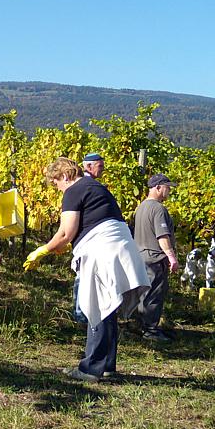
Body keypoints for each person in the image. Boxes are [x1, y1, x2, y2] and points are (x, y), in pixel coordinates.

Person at [23, 157, 150, 382]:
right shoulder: (95, 187)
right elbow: (74, 229)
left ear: (64, 175)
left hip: (102, 250)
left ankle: (90, 369)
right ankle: (107, 365)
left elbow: (66, 233)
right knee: (108, 305)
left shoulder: (73, 191)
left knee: (97, 306)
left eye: (56, 183)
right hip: (119, 247)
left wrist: (42, 250)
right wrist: (60, 246)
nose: (57, 188)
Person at [133, 174, 178, 342]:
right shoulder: (158, 209)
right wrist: (171, 257)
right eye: (167, 187)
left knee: (143, 293)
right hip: (155, 259)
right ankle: (150, 330)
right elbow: (162, 236)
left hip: (141, 256)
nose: (169, 191)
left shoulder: (142, 207)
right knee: (154, 294)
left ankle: (142, 326)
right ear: (158, 187)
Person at [72, 152, 105, 323]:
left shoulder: (88, 184)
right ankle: (80, 314)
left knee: (84, 275)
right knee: (83, 276)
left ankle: (80, 313)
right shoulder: (85, 184)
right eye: (100, 166)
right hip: (86, 239)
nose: (103, 170)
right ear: (89, 166)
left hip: (87, 238)